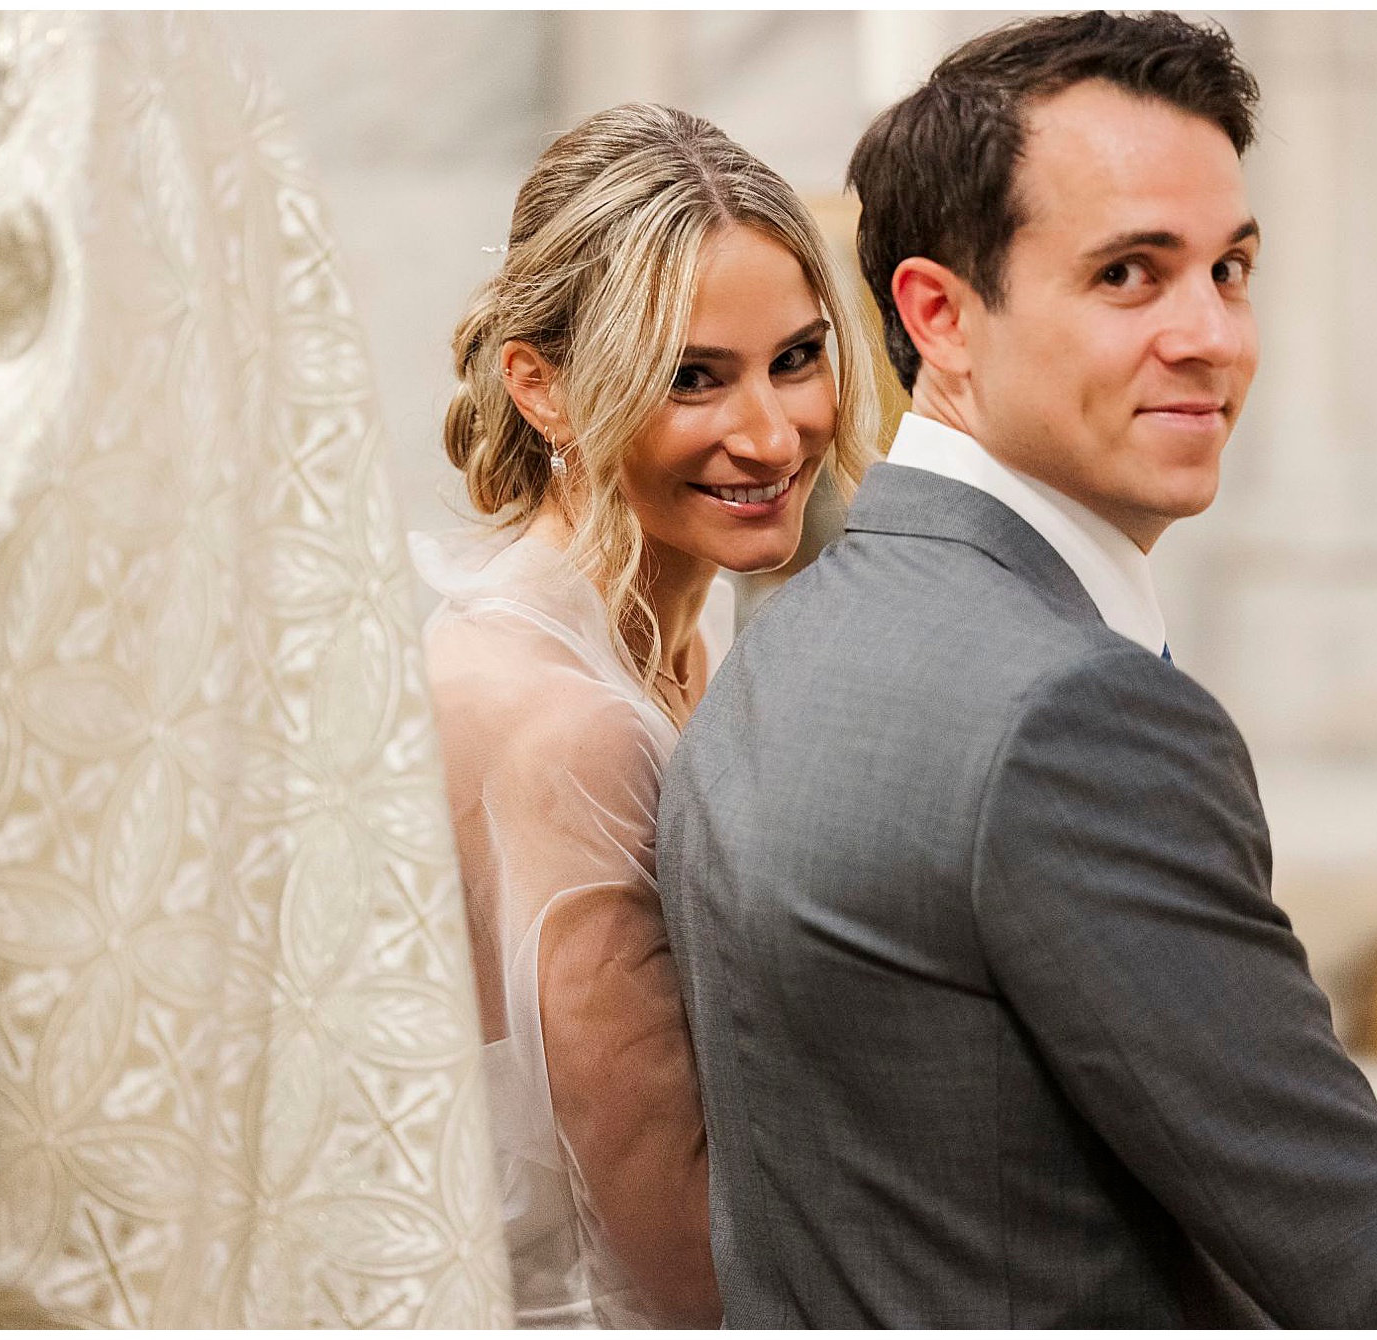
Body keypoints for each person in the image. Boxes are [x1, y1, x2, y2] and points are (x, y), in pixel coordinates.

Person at [657, 12, 1377, 1328]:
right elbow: (1361, 1246)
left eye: (1232, 269)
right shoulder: (1071, 717)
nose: (1213, 335)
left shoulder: (794, 629)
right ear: (940, 313)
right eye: (1130, 277)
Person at [415, 103, 880, 1328]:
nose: (772, 433)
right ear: (542, 387)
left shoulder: (684, 638)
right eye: (692, 377)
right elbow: (669, 1241)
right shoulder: (568, 726)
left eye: (795, 356)